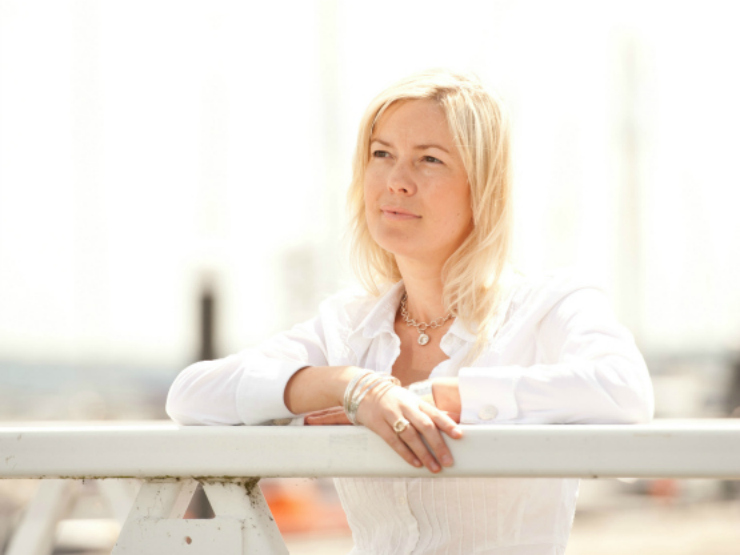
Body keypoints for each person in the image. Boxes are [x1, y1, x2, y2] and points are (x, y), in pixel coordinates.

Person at [166, 69, 654, 554]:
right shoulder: (348, 325)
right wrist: (354, 388)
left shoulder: (550, 306)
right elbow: (191, 394)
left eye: (429, 160)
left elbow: (625, 390)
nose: (397, 181)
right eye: (382, 154)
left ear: (482, 186)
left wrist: (439, 398)